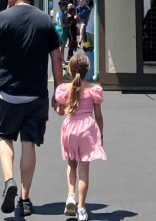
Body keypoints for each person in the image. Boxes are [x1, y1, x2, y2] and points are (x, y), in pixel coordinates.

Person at [0, 0, 63, 216]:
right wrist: (58, 90)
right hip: (36, 95)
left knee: (4, 136)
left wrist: (1, 23)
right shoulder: (45, 20)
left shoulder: (2, 17)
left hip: (8, 93)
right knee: (29, 143)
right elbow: (57, 57)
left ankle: (9, 181)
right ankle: (25, 199)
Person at [54, 53, 105, 221]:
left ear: (69, 70)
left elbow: (61, 112)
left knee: (71, 164)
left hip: (70, 128)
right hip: (87, 129)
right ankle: (81, 208)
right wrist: (100, 134)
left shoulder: (64, 90)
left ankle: (70, 195)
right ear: (87, 70)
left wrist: (57, 107)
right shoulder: (93, 90)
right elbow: (98, 116)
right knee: (84, 171)